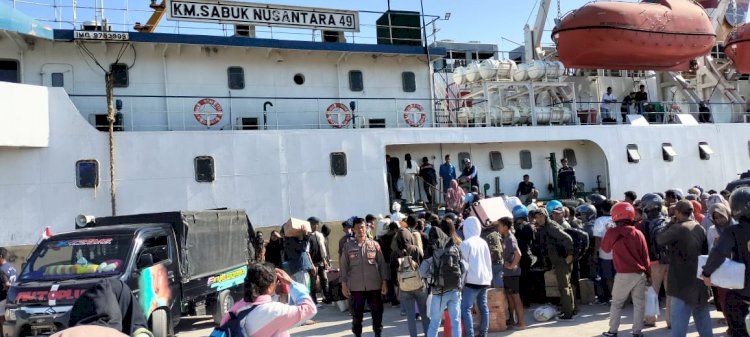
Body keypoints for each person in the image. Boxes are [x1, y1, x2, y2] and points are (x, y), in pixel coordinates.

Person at [656, 200, 712, 337]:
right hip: (698, 280)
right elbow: (705, 253)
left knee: (679, 326)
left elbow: (660, 239)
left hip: (680, 282)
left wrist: (670, 223)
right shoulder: (699, 228)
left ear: (677, 212)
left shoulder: (677, 228)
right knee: (703, 321)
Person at [702, 187, 750, 337]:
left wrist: (706, 273)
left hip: (742, 289)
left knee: (736, 325)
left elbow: (718, 252)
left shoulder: (733, 231)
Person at [222, 263, 317, 337]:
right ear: (269, 287)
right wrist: (291, 283)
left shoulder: (237, 308)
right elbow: (309, 308)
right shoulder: (274, 311)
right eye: (276, 281)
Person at [601, 202, 650, 337]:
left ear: (616, 215)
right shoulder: (638, 233)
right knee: (639, 304)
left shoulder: (612, 232)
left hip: (623, 274)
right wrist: (649, 275)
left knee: (616, 303)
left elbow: (605, 249)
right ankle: (637, 332)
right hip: (640, 274)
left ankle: (613, 331)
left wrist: (607, 232)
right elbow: (645, 257)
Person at [340, 218, 389, 337]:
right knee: (357, 316)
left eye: (362, 227)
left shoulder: (374, 244)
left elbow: (382, 265)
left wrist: (384, 282)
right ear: (354, 229)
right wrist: (344, 284)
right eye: (357, 228)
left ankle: (378, 333)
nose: (360, 230)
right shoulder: (348, 246)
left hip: (374, 286)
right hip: (356, 288)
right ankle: (357, 334)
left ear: (366, 228)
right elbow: (343, 266)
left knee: (377, 314)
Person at [420, 225, 466, 337]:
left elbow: (422, 272)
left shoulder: (432, 249)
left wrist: (431, 277)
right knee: (455, 322)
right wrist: (460, 284)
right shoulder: (454, 246)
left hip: (439, 291)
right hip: (455, 289)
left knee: (435, 323)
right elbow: (463, 267)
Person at [536, 208, 576, 319]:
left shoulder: (550, 227)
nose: (539, 219)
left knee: (564, 287)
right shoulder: (546, 227)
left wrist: (570, 254)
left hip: (562, 260)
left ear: (545, 216)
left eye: (541, 216)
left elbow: (567, 238)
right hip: (559, 260)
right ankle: (570, 310)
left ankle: (568, 314)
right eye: (537, 217)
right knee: (566, 286)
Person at [640, 193, 671, 328]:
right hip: (670, 261)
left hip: (653, 262)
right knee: (671, 292)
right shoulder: (669, 221)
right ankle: (671, 321)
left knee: (651, 291)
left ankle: (650, 319)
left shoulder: (642, 225)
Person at [392, 227, 429, 337]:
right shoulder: (416, 249)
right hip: (419, 286)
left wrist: (398, 284)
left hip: (404, 288)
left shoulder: (394, 253)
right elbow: (424, 266)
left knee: (410, 315)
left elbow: (392, 273)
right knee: (424, 313)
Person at [459, 217, 493, 337]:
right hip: (484, 280)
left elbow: (463, 265)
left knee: (465, 309)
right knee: (483, 307)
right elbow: (489, 262)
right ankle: (483, 333)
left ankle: (470, 334)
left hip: (471, 281)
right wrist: (489, 277)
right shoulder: (483, 242)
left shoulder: (465, 243)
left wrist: (461, 284)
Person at [499, 217, 525, 329]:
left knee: (516, 298)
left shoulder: (510, 239)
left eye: (499, 225)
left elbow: (518, 254)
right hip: (508, 274)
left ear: (505, 227)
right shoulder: (505, 238)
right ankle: (513, 321)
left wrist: (511, 265)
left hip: (512, 274)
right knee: (510, 298)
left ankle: (521, 323)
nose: (498, 228)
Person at [512, 205, 538, 306]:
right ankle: (526, 300)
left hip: (523, 256)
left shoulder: (521, 227)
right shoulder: (528, 226)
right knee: (525, 278)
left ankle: (526, 301)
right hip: (526, 255)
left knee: (523, 279)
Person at [593, 200, 616, 305]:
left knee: (609, 278)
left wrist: (595, 253)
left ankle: (614, 299)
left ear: (601, 209)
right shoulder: (617, 219)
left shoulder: (599, 221)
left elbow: (598, 240)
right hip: (618, 253)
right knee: (618, 277)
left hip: (604, 254)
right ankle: (620, 298)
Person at [307, 217, 330, 306]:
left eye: (317, 224)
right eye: (314, 224)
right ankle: (314, 300)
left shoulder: (319, 235)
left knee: (324, 279)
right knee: (313, 282)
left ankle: (327, 298)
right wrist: (311, 264)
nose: (316, 226)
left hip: (320, 261)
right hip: (312, 263)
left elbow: (322, 248)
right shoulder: (307, 236)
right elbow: (307, 252)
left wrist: (324, 260)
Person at [0, 247, 16, 336]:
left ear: (0, 256)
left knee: (2, 319)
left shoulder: (1, 269)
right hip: (11, 297)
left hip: (2, 298)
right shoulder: (11, 267)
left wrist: (6, 288)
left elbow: (6, 284)